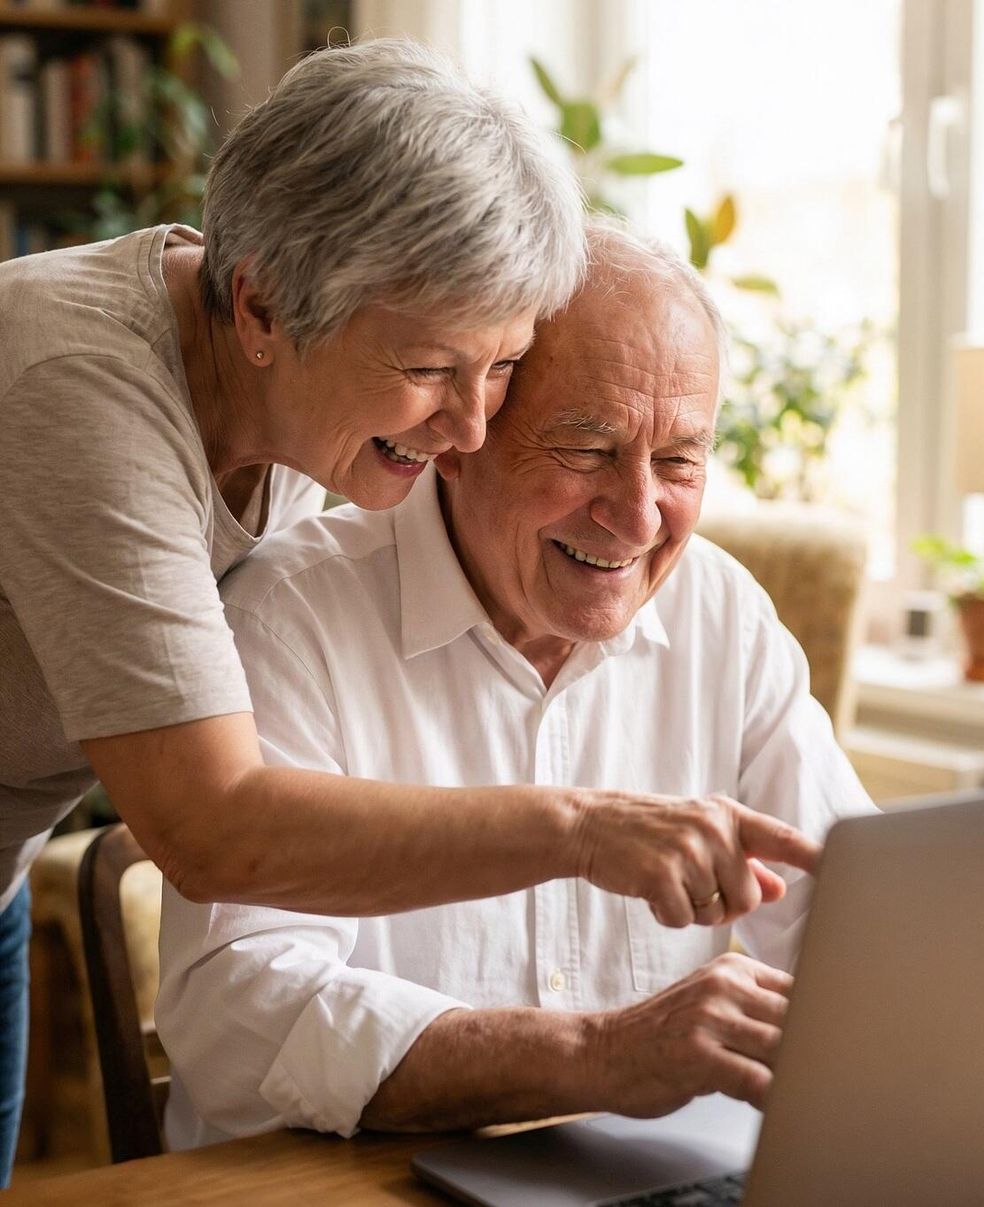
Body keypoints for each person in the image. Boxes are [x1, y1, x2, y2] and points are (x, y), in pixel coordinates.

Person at [0, 42, 815, 1185]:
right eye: (438, 370)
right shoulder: (82, 396)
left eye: (502, 369)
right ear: (262, 309)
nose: (470, 430)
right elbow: (211, 830)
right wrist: (582, 833)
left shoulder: (309, 402)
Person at [156, 225, 876, 1148]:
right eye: (587, 451)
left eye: (681, 458)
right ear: (456, 434)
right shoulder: (289, 615)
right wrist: (597, 1053)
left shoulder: (721, 613)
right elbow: (238, 1014)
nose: (640, 514)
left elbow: (853, 919)